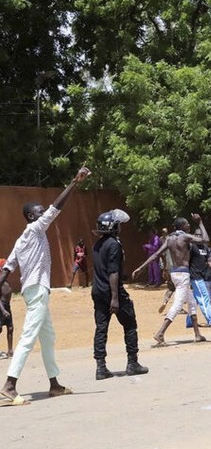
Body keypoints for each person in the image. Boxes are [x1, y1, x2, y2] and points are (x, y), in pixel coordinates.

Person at [0, 166, 90, 405]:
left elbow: (7, 268)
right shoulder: (34, 228)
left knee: (47, 337)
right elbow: (56, 209)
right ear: (31, 216)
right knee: (28, 337)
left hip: (34, 291)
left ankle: (54, 384)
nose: (44, 214)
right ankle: (9, 385)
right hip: (37, 289)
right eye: (40, 212)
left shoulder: (21, 240)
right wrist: (74, 182)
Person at [133, 214, 209, 346]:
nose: (189, 225)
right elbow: (205, 239)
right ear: (182, 226)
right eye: (187, 224)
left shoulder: (169, 239)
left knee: (191, 301)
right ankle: (160, 333)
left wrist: (141, 267)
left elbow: (156, 254)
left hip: (174, 274)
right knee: (178, 305)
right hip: (184, 274)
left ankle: (197, 334)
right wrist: (200, 222)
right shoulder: (185, 237)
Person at [90, 209, 149, 380]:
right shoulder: (114, 244)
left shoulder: (97, 244)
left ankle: (101, 367)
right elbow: (113, 272)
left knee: (101, 328)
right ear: (113, 227)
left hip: (97, 291)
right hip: (112, 292)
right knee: (130, 324)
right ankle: (133, 363)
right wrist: (115, 298)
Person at [186, 234, 211, 328]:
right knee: (204, 297)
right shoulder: (192, 247)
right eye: (197, 235)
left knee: (195, 300)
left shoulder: (205, 247)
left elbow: (209, 261)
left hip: (201, 276)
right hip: (195, 276)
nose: (199, 236)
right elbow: (186, 261)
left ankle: (190, 321)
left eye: (200, 235)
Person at [0, 261, 12, 359]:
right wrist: (3, 311)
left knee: (10, 328)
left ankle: (10, 351)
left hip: (7, 306)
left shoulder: (6, 281)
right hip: (1, 307)